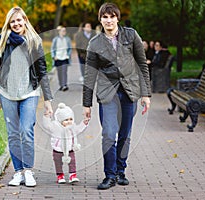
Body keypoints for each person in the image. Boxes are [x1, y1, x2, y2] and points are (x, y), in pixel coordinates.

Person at [82, 3, 151, 190]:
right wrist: (86, 104)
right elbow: (90, 75)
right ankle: (110, 175)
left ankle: (121, 171)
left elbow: (142, 64)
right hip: (108, 93)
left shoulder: (131, 35)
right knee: (108, 134)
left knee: (125, 135)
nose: (109, 20)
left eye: (112, 16)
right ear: (100, 20)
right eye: (105, 17)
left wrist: (146, 94)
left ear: (117, 18)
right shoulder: (95, 43)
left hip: (130, 91)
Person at [0, 6, 53, 187]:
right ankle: (18, 172)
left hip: (29, 92)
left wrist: (48, 100)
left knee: (26, 130)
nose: (16, 23)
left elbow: (42, 70)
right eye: (13, 21)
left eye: (19, 20)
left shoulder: (34, 41)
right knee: (13, 134)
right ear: (9, 24)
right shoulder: (1, 40)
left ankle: (28, 171)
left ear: (25, 20)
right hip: (7, 93)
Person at [42, 103, 89, 184]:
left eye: (71, 119)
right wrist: (46, 117)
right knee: (58, 163)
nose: (69, 122)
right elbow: (47, 125)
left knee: (72, 161)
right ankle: (60, 175)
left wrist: (83, 123)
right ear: (60, 120)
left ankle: (72, 175)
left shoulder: (72, 127)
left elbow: (78, 129)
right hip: (58, 149)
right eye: (66, 120)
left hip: (70, 148)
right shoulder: (55, 127)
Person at [51, 26, 72, 91]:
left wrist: (68, 55)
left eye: (65, 31)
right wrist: (54, 56)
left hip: (65, 57)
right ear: (59, 32)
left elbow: (69, 48)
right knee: (59, 72)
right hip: (58, 58)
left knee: (64, 71)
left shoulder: (67, 39)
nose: (64, 32)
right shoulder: (55, 39)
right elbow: (52, 48)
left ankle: (64, 85)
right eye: (63, 31)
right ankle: (61, 85)